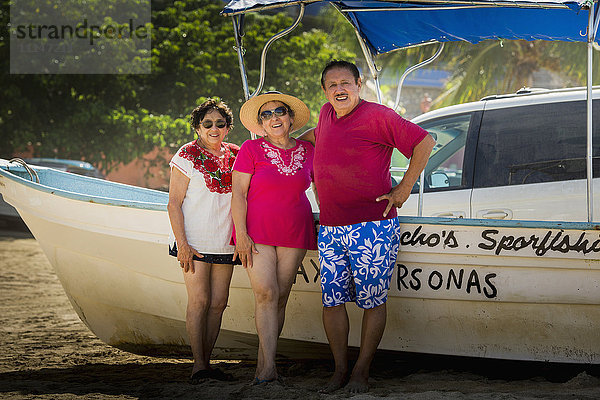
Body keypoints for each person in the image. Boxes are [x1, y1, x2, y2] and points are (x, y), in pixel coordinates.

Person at [299, 60, 435, 393]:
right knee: (331, 301)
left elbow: (425, 142)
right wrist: (283, 145)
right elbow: (314, 136)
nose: (339, 89)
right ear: (324, 90)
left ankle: (361, 371)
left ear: (359, 84)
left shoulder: (378, 116)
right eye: (332, 85)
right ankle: (339, 370)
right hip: (331, 227)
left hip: (372, 227)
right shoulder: (325, 114)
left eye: (345, 82)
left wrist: (403, 188)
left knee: (372, 300)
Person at [232, 91, 317, 384]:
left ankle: (264, 366)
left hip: (295, 228)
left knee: (280, 298)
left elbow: (325, 183)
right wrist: (240, 234)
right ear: (260, 124)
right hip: (256, 231)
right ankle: (268, 369)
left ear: (290, 118)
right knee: (266, 293)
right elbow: (238, 194)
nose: (273, 118)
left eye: (279, 111)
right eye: (265, 115)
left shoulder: (308, 150)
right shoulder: (250, 149)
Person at [167, 99, 239, 384]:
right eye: (207, 124)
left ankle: (207, 364)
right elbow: (174, 203)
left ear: (228, 128)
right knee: (200, 301)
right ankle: (198, 366)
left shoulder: (236, 154)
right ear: (198, 127)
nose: (214, 128)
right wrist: (182, 244)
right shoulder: (186, 155)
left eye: (220, 124)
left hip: (225, 242)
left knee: (219, 303)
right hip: (194, 243)